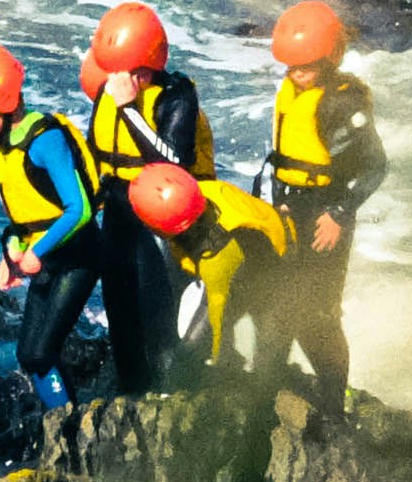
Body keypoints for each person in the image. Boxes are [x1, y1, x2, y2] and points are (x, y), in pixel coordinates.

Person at [0, 44, 108, 410]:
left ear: (2, 100)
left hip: (79, 257)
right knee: (28, 354)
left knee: (41, 352)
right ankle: (65, 417)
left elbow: (80, 210)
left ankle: (70, 422)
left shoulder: (45, 140)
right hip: (48, 258)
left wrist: (37, 252)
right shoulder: (2, 147)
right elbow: (23, 216)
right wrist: (11, 252)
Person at [80, 1, 215, 398]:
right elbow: (96, 152)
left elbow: (171, 160)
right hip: (119, 211)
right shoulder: (109, 90)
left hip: (162, 212)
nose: (124, 78)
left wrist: (129, 110)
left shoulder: (177, 96)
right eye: (118, 69)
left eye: (133, 70)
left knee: (159, 309)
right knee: (120, 307)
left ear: (151, 63)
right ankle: (130, 391)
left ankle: (171, 392)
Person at [260, 0, 386, 415]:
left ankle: (334, 402)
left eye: (306, 68)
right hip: (290, 208)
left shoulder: (342, 103)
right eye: (292, 67)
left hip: (327, 213)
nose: (297, 75)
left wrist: (340, 214)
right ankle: (269, 392)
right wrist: (277, 204)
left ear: (329, 60)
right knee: (280, 307)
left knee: (318, 315)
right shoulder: (291, 90)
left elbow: (374, 167)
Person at [124, 162, 302, 392]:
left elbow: (216, 317)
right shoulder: (208, 190)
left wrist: (214, 362)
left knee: (265, 372)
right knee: (200, 342)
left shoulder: (215, 256)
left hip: (275, 277)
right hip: (251, 259)